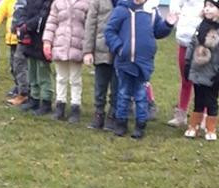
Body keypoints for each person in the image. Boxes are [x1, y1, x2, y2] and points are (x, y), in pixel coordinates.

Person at [105, 0, 177, 138]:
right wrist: (120, 48)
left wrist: (168, 24)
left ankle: (140, 124)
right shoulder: (121, 10)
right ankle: (121, 122)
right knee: (123, 93)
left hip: (144, 62)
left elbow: (157, 32)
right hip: (125, 60)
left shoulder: (152, 11)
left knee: (141, 94)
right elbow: (109, 31)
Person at [183, 0, 219, 140]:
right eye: (206, 6)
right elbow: (192, 44)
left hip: (213, 73)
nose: (207, 9)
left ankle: (211, 128)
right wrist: (187, 62)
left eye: (211, 6)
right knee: (198, 99)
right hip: (198, 70)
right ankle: (193, 126)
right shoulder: (202, 26)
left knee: (212, 101)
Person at [43, 0, 89, 122]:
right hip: (60, 45)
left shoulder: (87, 3)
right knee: (61, 78)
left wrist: (87, 48)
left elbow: (89, 26)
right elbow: (51, 23)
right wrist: (47, 42)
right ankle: (60, 105)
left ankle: (75, 107)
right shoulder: (58, 2)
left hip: (77, 45)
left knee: (75, 79)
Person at [167, 0, 204, 126]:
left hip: (201, 43)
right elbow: (175, 4)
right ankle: (181, 114)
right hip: (184, 39)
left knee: (201, 81)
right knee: (185, 79)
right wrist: (175, 10)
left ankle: (202, 116)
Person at [83, 0, 118, 129]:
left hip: (120, 51)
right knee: (100, 86)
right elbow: (90, 25)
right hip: (101, 50)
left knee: (117, 87)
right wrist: (87, 51)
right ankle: (98, 113)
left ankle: (113, 114)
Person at [16, 0, 55, 114]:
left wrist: (28, 26)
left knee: (42, 72)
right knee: (32, 70)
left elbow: (43, 16)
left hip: (42, 38)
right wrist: (22, 24)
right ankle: (34, 98)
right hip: (29, 38)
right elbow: (23, 9)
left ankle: (46, 101)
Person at [0, 0, 30, 103]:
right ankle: (19, 86)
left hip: (23, 38)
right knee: (13, 66)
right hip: (12, 38)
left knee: (20, 65)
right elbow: (1, 10)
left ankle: (24, 92)